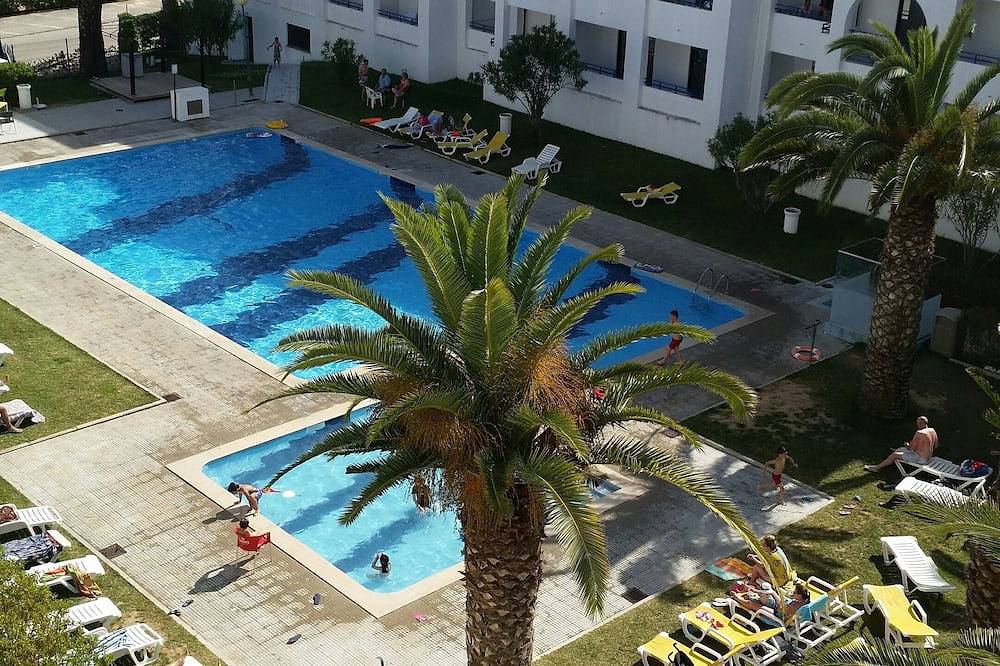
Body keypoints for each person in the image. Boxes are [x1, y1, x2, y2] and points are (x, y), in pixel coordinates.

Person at [864, 416, 938, 473]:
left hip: (920, 459)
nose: (917, 425)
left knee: (895, 455)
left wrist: (907, 445)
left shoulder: (919, 433)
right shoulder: (932, 430)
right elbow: (936, 445)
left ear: (921, 423)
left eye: (918, 423)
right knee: (900, 449)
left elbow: (910, 448)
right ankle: (891, 456)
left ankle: (876, 468)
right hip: (928, 457)